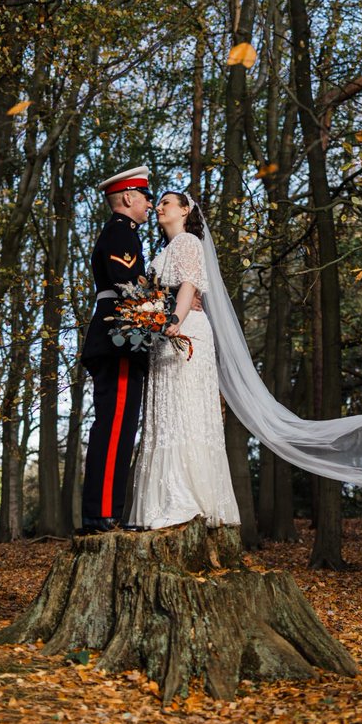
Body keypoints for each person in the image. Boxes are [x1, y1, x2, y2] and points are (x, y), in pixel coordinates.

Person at [127, 191, 240, 529]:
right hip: (164, 333)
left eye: (165, 203)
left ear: (185, 210)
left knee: (187, 406)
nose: (158, 208)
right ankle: (163, 500)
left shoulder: (188, 241)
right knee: (166, 411)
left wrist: (173, 321)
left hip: (186, 329)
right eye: (157, 204)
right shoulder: (164, 250)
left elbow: (189, 285)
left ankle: (191, 498)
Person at [79, 166, 154, 533]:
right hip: (118, 337)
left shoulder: (123, 233)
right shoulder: (122, 233)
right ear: (128, 198)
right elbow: (128, 284)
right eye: (145, 197)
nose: (149, 204)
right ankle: (103, 512)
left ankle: (104, 509)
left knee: (117, 426)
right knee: (115, 427)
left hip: (114, 337)